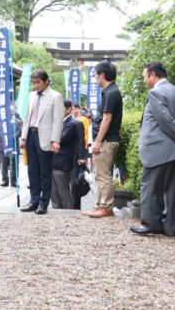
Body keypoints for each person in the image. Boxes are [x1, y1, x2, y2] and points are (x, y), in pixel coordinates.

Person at [131, 62, 175, 235]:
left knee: (150, 188)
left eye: (145, 76)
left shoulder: (156, 93)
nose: (144, 80)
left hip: (158, 150)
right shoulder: (173, 89)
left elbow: (166, 121)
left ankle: (150, 223)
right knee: (172, 191)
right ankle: (170, 226)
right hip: (171, 151)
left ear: (153, 74)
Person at [20, 70, 64, 215]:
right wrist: (23, 137)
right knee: (32, 171)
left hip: (45, 137)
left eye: (38, 82)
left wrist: (56, 140)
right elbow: (27, 117)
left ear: (46, 81)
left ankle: (43, 203)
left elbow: (58, 120)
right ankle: (33, 201)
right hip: (30, 136)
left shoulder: (55, 96)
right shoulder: (32, 95)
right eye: (34, 82)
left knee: (45, 172)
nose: (35, 85)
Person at [83, 61, 123, 218]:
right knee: (99, 174)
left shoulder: (111, 92)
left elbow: (107, 119)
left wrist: (98, 141)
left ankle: (106, 206)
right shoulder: (109, 92)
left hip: (107, 140)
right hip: (106, 139)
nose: (95, 78)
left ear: (102, 75)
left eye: (95, 75)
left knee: (103, 174)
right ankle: (100, 205)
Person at [50, 100, 79, 209]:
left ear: (68, 109)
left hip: (63, 162)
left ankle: (68, 212)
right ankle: (56, 212)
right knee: (54, 191)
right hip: (53, 160)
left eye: (61, 108)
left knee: (63, 191)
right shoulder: (57, 122)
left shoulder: (72, 123)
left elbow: (62, 138)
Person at [0, 111, 22, 187]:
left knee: (14, 164)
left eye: (12, 112)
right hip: (3, 146)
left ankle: (14, 181)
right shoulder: (1, 121)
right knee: (4, 164)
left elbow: (20, 132)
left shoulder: (18, 122)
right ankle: (4, 180)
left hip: (14, 145)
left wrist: (11, 137)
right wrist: (5, 137)